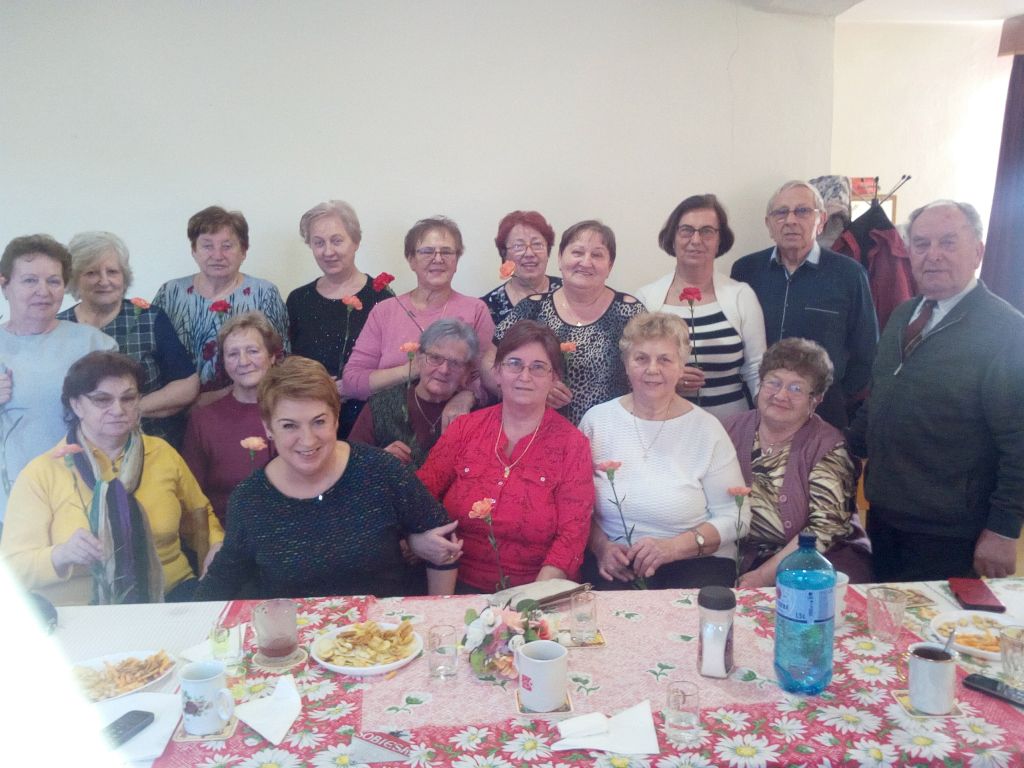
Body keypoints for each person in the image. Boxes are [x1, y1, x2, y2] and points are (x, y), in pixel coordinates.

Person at [848, 200, 1024, 581]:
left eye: (948, 242)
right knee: (883, 616)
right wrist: (832, 451)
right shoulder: (902, 315)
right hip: (885, 516)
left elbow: (1019, 440)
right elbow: (878, 400)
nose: (933, 255)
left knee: (937, 620)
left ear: (977, 251)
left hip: (952, 532)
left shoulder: (1007, 331)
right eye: (922, 244)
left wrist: (1004, 528)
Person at [195, 356, 461, 599]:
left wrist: (438, 614)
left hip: (384, 632)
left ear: (336, 419)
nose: (307, 439)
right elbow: (222, 579)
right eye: (289, 425)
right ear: (268, 428)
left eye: (319, 421)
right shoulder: (250, 499)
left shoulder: (380, 470)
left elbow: (444, 540)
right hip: (295, 634)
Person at [0, 351, 223, 605]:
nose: (118, 410)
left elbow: (201, 517)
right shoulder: (43, 472)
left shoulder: (161, 453)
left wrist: (217, 545)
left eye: (128, 398)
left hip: (169, 597)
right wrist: (61, 554)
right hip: (79, 610)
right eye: (102, 400)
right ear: (76, 405)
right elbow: (13, 567)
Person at [417, 321, 594, 593]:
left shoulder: (573, 444)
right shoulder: (465, 429)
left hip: (537, 592)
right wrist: (418, 540)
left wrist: (531, 602)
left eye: (538, 367)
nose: (525, 376)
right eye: (514, 364)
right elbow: (419, 496)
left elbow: (572, 537)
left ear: (554, 379)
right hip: (454, 584)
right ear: (497, 372)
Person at [579, 313, 747, 589]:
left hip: (695, 560)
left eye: (665, 360)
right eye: (641, 358)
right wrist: (601, 548)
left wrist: (673, 548)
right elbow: (575, 505)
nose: (652, 369)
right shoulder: (597, 421)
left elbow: (736, 517)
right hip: (615, 561)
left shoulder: (707, 429)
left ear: (682, 367)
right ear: (626, 365)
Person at [723, 338, 871, 588]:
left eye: (796, 389)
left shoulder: (830, 446)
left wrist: (764, 576)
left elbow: (825, 528)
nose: (781, 395)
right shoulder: (730, 429)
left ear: (816, 399)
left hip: (819, 558)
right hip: (745, 553)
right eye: (774, 383)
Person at [730, 180, 878, 429]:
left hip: (823, 413)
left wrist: (832, 395)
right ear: (769, 224)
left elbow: (867, 351)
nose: (790, 220)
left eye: (802, 211)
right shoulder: (746, 271)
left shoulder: (850, 274)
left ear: (821, 220)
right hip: (759, 410)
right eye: (781, 212)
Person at [0, 235, 117, 519]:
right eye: (30, 280)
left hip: (84, 497)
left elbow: (121, 418)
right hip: (10, 506)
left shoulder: (95, 345)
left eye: (53, 281)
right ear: (4, 286)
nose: (43, 291)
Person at [493, 220, 646, 425]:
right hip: (540, 429)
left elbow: (647, 368)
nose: (586, 262)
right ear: (560, 258)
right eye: (577, 252)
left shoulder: (630, 312)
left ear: (609, 266)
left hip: (611, 429)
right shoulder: (533, 308)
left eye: (597, 255)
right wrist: (534, 387)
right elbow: (492, 358)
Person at [341, 216, 495, 419]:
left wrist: (467, 396)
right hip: (387, 424)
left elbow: (486, 380)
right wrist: (411, 369)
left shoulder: (475, 310)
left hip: (453, 423)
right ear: (411, 260)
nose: (438, 259)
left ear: (457, 261)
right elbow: (352, 382)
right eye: (427, 251)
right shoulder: (385, 311)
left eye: (446, 252)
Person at [57, 231, 198, 447]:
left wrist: (129, 409)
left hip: (150, 445)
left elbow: (187, 385)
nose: (104, 281)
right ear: (74, 279)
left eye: (112, 272)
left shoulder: (150, 318)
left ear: (124, 277)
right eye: (92, 273)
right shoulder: (60, 326)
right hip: (80, 448)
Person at [637, 194, 766, 418]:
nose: (696, 240)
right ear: (673, 237)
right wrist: (669, 379)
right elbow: (635, 367)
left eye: (707, 231)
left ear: (719, 240)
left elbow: (757, 369)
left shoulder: (741, 295)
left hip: (731, 425)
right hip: (665, 423)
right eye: (686, 230)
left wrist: (771, 418)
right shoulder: (647, 298)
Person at [152, 205, 289, 395]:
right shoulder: (170, 293)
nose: (217, 256)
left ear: (243, 251)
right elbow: (153, 356)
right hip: (177, 403)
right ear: (194, 250)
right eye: (207, 246)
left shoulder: (264, 293)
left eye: (227, 246)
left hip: (246, 401)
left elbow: (280, 360)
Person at [286, 200, 395, 436]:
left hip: (367, 420)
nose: (328, 252)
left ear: (355, 241)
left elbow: (392, 365)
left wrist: (352, 386)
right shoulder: (298, 300)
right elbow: (288, 364)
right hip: (309, 421)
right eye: (319, 243)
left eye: (337, 241)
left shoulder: (381, 297)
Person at [181, 313, 281, 525]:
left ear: (272, 356)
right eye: (233, 354)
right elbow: (192, 500)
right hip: (225, 534)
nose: (243, 362)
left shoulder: (295, 413)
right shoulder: (203, 421)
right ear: (224, 362)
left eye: (253, 351)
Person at [349, 318, 478, 468]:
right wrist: (379, 461)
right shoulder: (380, 406)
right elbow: (349, 466)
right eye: (435, 358)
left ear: (467, 371)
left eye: (455, 363)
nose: (444, 370)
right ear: (418, 357)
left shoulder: (473, 416)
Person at [480, 210, 562, 326]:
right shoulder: (487, 307)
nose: (529, 253)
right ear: (504, 254)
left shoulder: (568, 291)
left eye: (537, 244)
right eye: (518, 246)